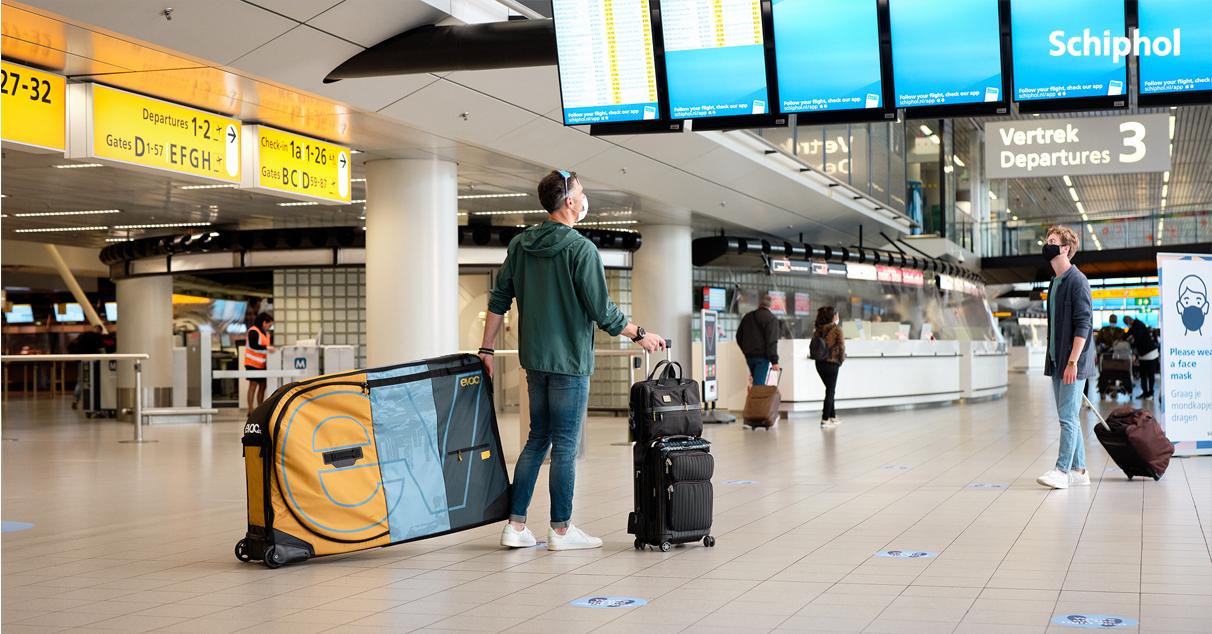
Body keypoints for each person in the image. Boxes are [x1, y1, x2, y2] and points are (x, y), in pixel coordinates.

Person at [479, 169, 665, 552]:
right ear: (568, 202)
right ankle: (561, 530)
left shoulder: (520, 245)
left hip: (535, 361)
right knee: (564, 445)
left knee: (536, 440)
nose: (584, 199)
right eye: (581, 192)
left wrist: (486, 349)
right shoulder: (581, 250)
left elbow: (499, 300)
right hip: (569, 363)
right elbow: (603, 311)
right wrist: (641, 334)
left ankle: (515, 526)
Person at [1036, 225, 1096, 490]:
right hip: (1058, 360)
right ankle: (1079, 470)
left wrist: (1073, 361)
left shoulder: (1077, 280)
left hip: (1073, 362)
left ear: (1065, 248)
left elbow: (1084, 324)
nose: (1046, 245)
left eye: (1051, 241)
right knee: (1068, 414)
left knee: (1067, 417)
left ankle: (1062, 470)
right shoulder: (1054, 281)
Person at [736, 294, 781, 386]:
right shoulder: (771, 319)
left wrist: (745, 350)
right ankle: (757, 400)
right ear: (770, 305)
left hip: (749, 357)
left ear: (759, 304)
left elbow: (738, 336)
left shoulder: (747, 317)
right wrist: (774, 361)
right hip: (762, 358)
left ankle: (754, 399)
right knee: (759, 385)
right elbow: (771, 341)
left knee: (755, 383)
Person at [812, 306, 845, 427]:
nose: (838, 316)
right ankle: (825, 419)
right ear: (833, 316)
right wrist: (841, 360)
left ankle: (833, 416)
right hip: (832, 363)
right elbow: (841, 346)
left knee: (830, 390)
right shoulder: (837, 329)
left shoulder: (818, 329)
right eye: (836, 314)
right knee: (830, 391)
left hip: (819, 363)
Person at [1123, 315, 1159, 399]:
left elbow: (1137, 339)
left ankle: (1151, 393)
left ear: (1129, 320)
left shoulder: (1138, 325)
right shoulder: (1133, 326)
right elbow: (1127, 334)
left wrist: (1131, 345)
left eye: (1126, 322)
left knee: (1150, 374)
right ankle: (1145, 392)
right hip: (1142, 354)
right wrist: (1122, 340)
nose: (1127, 324)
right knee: (1142, 375)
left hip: (1150, 353)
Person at [70, 325, 106, 409]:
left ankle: (75, 400)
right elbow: (102, 350)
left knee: (81, 381)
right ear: (100, 331)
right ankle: (94, 400)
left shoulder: (83, 335)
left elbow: (73, 344)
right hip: (94, 361)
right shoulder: (98, 337)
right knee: (95, 381)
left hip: (82, 360)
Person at [245, 312, 275, 410]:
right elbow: (254, 345)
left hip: (263, 363)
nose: (269, 327)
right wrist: (267, 348)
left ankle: (260, 408)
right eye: (269, 324)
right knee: (253, 385)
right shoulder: (253, 331)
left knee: (263, 385)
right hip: (252, 363)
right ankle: (250, 410)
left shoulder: (266, 334)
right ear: (264, 322)